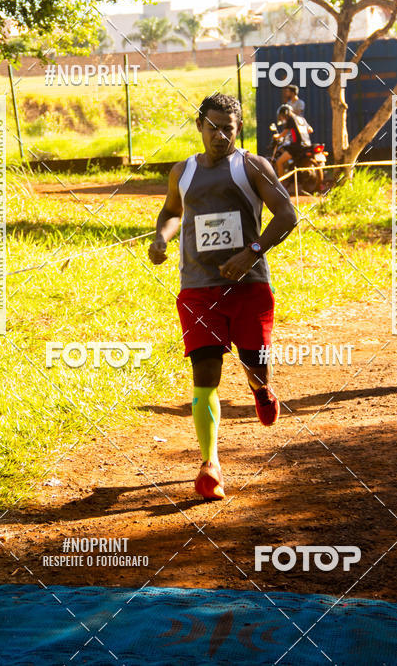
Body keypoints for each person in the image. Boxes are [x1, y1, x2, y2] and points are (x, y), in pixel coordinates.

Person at [148, 93, 297, 501]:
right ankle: (210, 464)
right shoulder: (183, 172)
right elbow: (172, 212)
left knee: (255, 364)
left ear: (239, 129)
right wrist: (162, 238)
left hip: (249, 288)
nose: (220, 135)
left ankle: (260, 389)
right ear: (199, 126)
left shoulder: (252, 166)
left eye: (227, 129)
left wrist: (251, 253)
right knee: (205, 374)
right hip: (198, 288)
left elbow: (287, 215)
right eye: (212, 127)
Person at [273, 104, 312, 178]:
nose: (282, 118)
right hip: (307, 145)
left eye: (282, 116)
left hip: (297, 146)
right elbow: (310, 130)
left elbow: (284, 133)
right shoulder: (301, 119)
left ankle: (281, 183)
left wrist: (277, 136)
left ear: (285, 113)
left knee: (279, 162)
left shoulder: (291, 119)